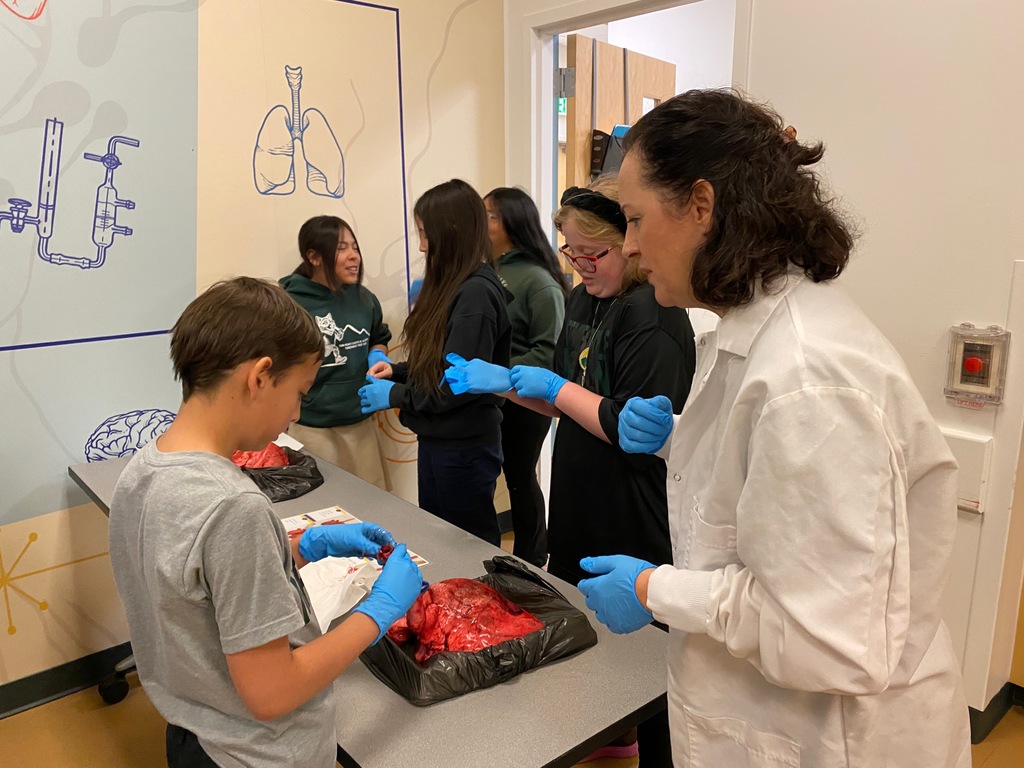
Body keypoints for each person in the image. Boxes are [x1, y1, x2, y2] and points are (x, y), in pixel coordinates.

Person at [578, 89, 972, 767]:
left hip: (829, 737)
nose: (633, 245)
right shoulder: (751, 326)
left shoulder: (809, 377)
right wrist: (678, 436)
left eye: (638, 219)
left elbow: (825, 636)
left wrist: (655, 590)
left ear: (701, 205)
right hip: (766, 719)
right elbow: (771, 489)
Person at [108, 277, 424, 768]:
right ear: (258, 378)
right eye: (298, 393)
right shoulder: (234, 507)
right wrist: (378, 612)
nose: (296, 414)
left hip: (195, 732)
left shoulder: (143, 470)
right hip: (258, 753)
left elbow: (194, 582)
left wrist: (299, 545)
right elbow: (274, 692)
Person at [445, 176, 695, 766]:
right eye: (571, 254)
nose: (581, 266)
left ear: (628, 244)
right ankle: (610, 742)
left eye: (594, 254)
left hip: (634, 512)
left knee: (649, 670)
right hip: (580, 498)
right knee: (592, 646)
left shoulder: (653, 318)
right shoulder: (584, 300)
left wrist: (555, 387)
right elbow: (563, 399)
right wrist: (507, 383)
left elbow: (634, 433)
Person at [358, 179, 512, 547]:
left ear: (452, 232)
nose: (423, 246)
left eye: (427, 235)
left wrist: (395, 394)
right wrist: (397, 371)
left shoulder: (475, 293)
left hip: (462, 448)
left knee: (464, 547)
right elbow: (442, 363)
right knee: (438, 537)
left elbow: (454, 386)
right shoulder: (455, 285)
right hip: (441, 440)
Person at [484, 187, 568, 566]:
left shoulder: (539, 282)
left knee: (519, 476)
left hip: (526, 402)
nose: (482, 223)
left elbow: (547, 351)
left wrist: (500, 372)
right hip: (493, 398)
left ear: (512, 223)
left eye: (490, 215)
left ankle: (532, 559)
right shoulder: (490, 270)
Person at [280, 215, 394, 491]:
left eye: (355, 247)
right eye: (342, 248)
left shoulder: (364, 298)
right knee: (326, 505)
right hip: (313, 426)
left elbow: (378, 337)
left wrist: (378, 356)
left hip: (360, 423)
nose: (354, 256)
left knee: (373, 501)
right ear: (314, 257)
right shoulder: (288, 304)